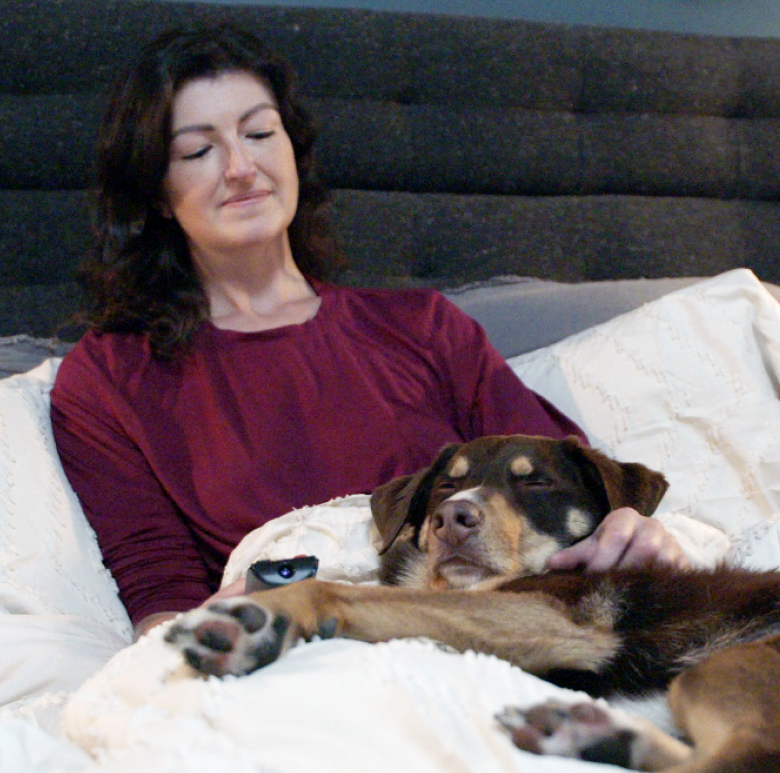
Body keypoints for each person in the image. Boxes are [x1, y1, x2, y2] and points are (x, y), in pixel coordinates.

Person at [50, 25, 702, 640]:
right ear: (158, 193)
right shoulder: (109, 379)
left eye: (259, 134)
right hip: (303, 649)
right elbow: (161, 605)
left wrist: (631, 531)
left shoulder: (423, 327)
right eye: (197, 150)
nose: (241, 168)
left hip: (486, 628)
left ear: (294, 155)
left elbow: (566, 480)